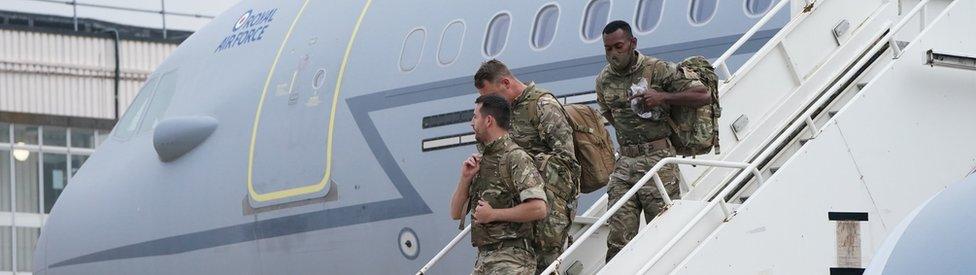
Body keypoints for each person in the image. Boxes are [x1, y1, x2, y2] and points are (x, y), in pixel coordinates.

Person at [595, 20, 712, 261]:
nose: (613, 54)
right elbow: (608, 111)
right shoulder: (603, 80)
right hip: (625, 163)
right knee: (618, 238)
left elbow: (703, 94)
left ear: (632, 43)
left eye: (618, 46)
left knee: (662, 232)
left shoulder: (658, 69)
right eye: (608, 49)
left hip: (657, 161)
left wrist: (663, 97)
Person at [473, 60, 581, 271]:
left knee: (546, 265)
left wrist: (526, 166)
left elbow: (568, 163)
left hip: (549, 205)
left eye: (492, 96)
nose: (490, 104)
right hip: (517, 208)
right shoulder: (503, 114)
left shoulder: (543, 106)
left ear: (505, 83)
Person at [450, 94, 550, 274]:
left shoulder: (515, 157)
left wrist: (493, 214)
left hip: (512, 260)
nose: (472, 123)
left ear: (488, 120)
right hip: (484, 260)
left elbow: (538, 208)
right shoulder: (482, 162)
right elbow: (456, 213)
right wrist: (465, 179)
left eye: (475, 117)